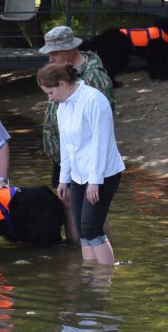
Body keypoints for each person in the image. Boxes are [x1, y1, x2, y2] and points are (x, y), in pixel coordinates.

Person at [36, 62, 125, 265]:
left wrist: (95, 181)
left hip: (104, 173)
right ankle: (89, 276)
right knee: (82, 229)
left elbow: (101, 144)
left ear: (62, 84)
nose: (49, 98)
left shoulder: (94, 100)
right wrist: (63, 179)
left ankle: (104, 280)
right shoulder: (63, 107)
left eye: (50, 92)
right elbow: (66, 146)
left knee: (92, 227)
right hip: (78, 174)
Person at [39, 25, 116, 245]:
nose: (51, 58)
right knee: (68, 203)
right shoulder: (60, 72)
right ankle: (80, 259)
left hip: (86, 156)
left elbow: (102, 126)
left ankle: (96, 257)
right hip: (65, 155)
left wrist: (93, 170)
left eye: (55, 53)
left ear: (72, 49)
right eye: (49, 54)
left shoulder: (94, 77)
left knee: (91, 211)